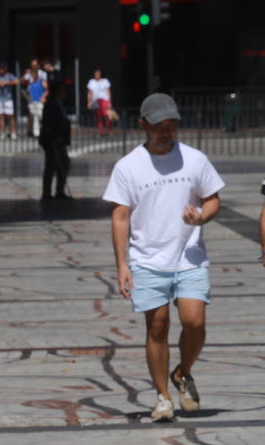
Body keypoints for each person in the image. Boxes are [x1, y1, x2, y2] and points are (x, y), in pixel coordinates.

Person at [103, 93, 224, 423]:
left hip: (189, 256)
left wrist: (201, 216)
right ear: (143, 125)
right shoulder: (128, 167)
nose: (167, 132)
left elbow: (213, 200)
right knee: (157, 326)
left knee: (194, 322)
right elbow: (120, 217)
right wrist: (122, 265)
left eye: (172, 126)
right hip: (147, 259)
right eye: (159, 126)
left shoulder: (195, 159)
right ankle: (163, 397)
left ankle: (182, 372)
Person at [39, 81, 72, 200]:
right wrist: (55, 138)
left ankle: (59, 191)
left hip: (59, 140)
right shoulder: (51, 104)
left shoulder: (58, 103)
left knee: (63, 164)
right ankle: (47, 194)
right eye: (62, 90)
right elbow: (49, 123)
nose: (64, 93)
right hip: (53, 140)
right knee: (51, 166)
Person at [23, 58, 46, 138]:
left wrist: (43, 97)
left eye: (35, 65)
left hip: (40, 101)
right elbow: (25, 85)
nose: (33, 67)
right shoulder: (30, 81)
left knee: (41, 116)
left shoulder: (42, 77)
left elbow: (46, 88)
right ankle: (37, 132)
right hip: (32, 101)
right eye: (32, 65)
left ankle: (44, 131)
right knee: (34, 117)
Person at [87, 69, 113, 134]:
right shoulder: (91, 82)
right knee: (98, 116)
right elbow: (89, 93)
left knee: (106, 115)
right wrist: (89, 102)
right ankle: (100, 131)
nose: (97, 75)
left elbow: (108, 91)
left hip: (104, 100)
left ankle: (109, 129)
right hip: (95, 100)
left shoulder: (105, 81)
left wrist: (109, 101)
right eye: (96, 74)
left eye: (98, 74)